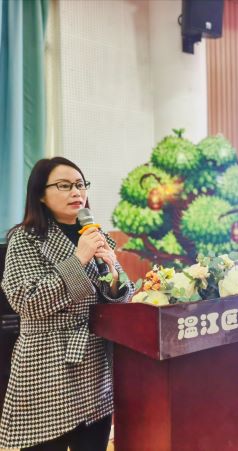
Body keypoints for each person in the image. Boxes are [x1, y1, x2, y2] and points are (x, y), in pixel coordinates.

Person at [0, 157, 134, 451]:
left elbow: (123, 297)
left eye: (80, 184)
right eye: (64, 185)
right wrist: (79, 259)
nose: (76, 192)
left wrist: (114, 277)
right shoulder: (24, 239)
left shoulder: (97, 235)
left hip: (94, 366)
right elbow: (27, 301)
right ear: (40, 194)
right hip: (46, 366)